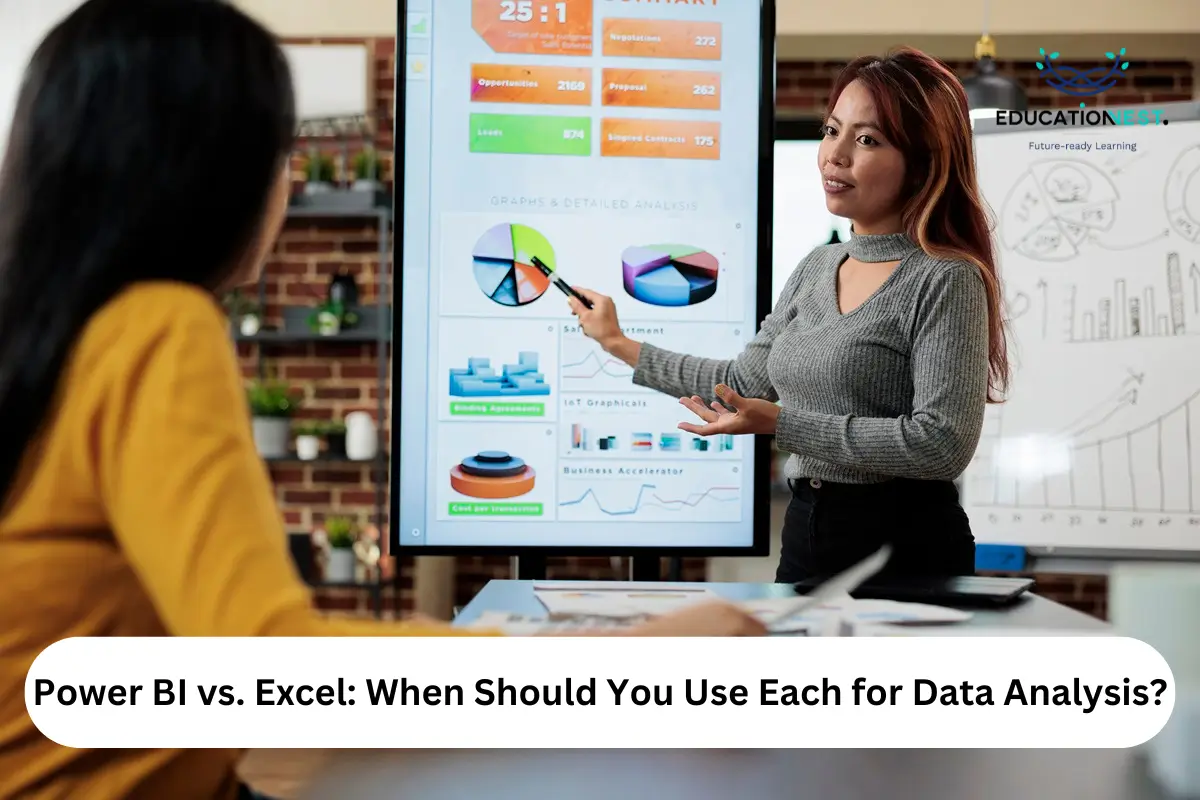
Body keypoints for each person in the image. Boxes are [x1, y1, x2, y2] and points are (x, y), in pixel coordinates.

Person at [0, 2, 765, 798]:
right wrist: (632, 665)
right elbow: (269, 668)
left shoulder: (51, 334)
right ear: (206, 169)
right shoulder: (154, 326)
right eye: (281, 149)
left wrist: (419, 643)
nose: (288, 178)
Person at [570, 47, 1007, 584]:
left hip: (906, 545)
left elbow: (940, 445)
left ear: (922, 161)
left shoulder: (946, 278)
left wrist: (783, 424)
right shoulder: (817, 266)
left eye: (867, 140)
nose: (835, 155)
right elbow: (739, 383)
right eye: (831, 131)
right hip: (809, 531)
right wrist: (617, 342)